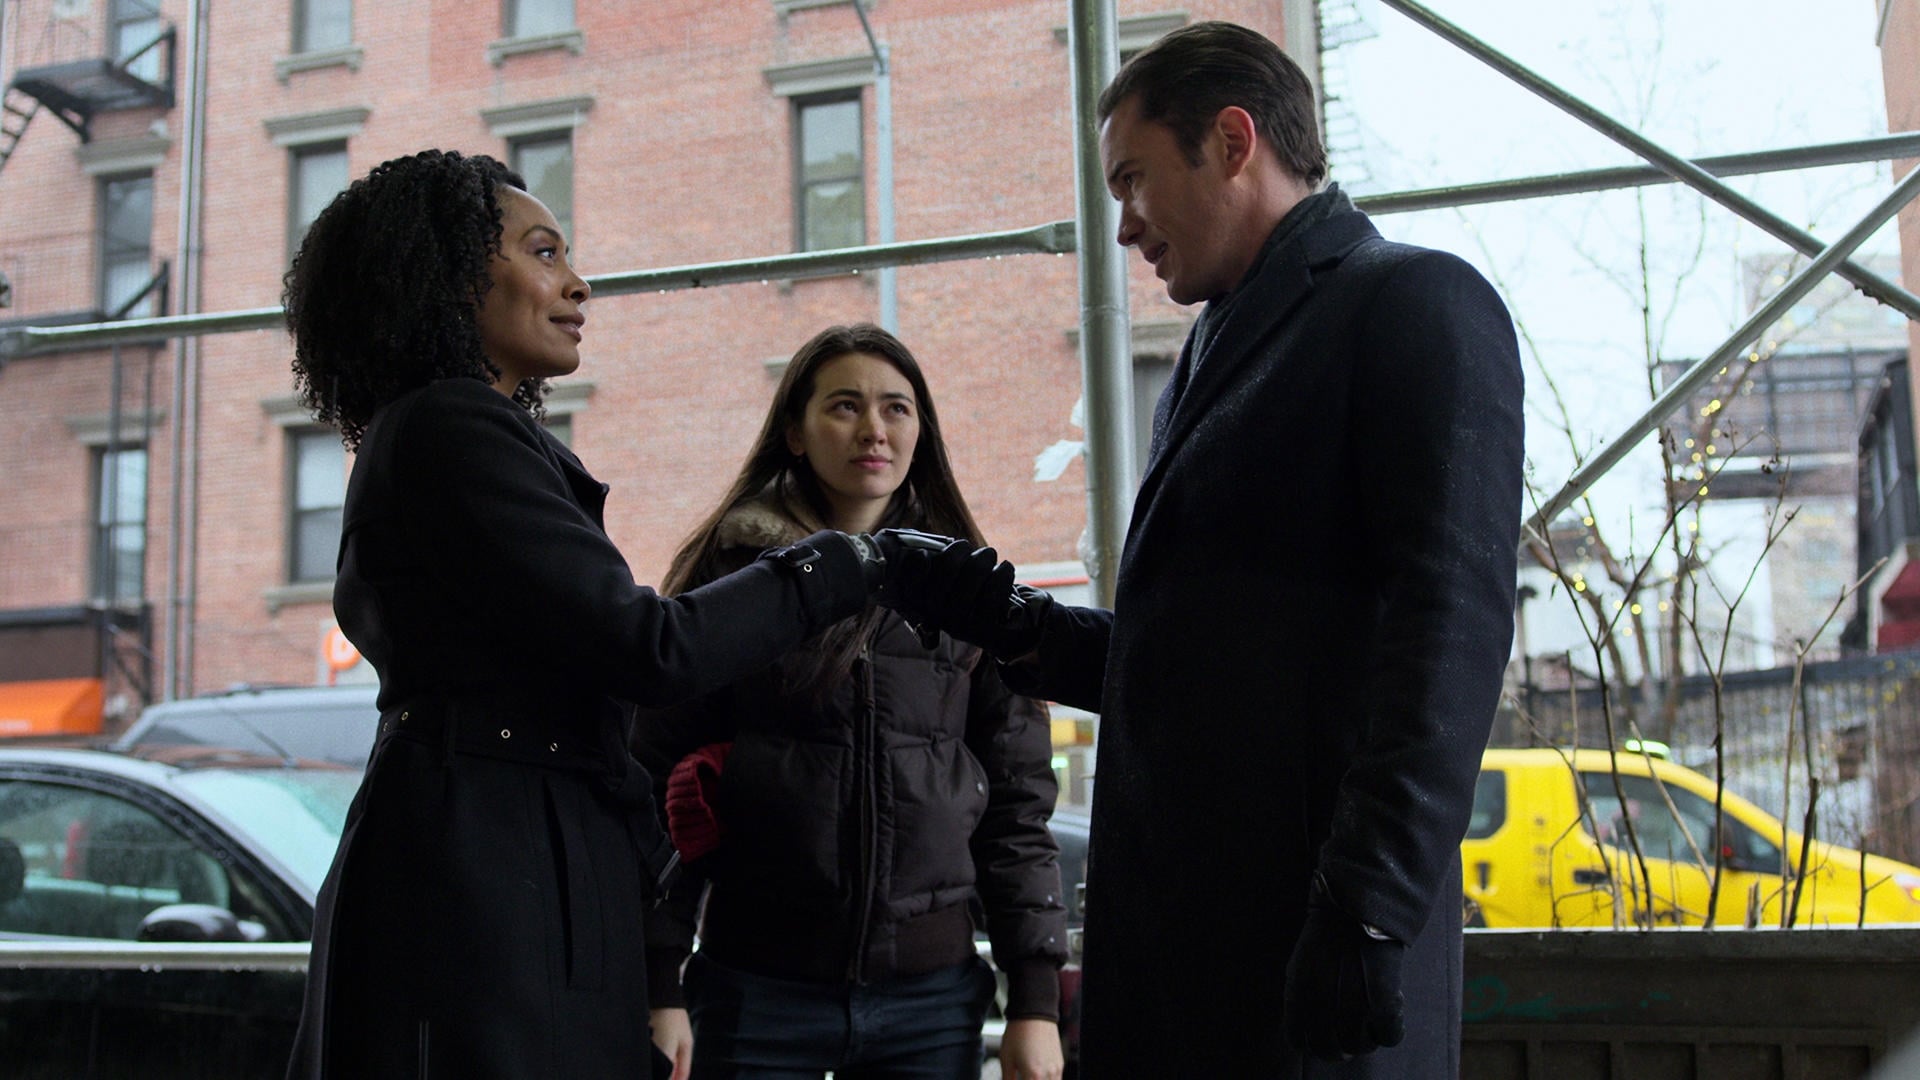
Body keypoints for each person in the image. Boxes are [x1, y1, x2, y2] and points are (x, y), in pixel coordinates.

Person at [887, 21, 1524, 1078]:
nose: (1124, 225)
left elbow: (1450, 629)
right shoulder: (1206, 352)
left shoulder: (1414, 302)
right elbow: (1213, 655)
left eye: (1134, 180)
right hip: (1186, 959)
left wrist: (1369, 907)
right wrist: (1017, 625)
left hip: (1303, 957)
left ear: (1233, 141)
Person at [281, 151, 923, 1078]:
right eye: (544, 253)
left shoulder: (439, 430)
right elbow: (648, 648)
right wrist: (846, 562)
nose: (578, 284)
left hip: (498, 837)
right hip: (491, 860)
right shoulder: (450, 426)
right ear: (452, 275)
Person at [634, 324, 1069, 1080]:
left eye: (897, 408)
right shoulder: (729, 584)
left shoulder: (970, 594)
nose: (874, 429)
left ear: (921, 431)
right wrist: (658, 980)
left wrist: (1035, 1002)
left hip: (930, 1000)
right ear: (794, 434)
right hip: (755, 993)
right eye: (844, 406)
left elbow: (1017, 806)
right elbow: (657, 787)